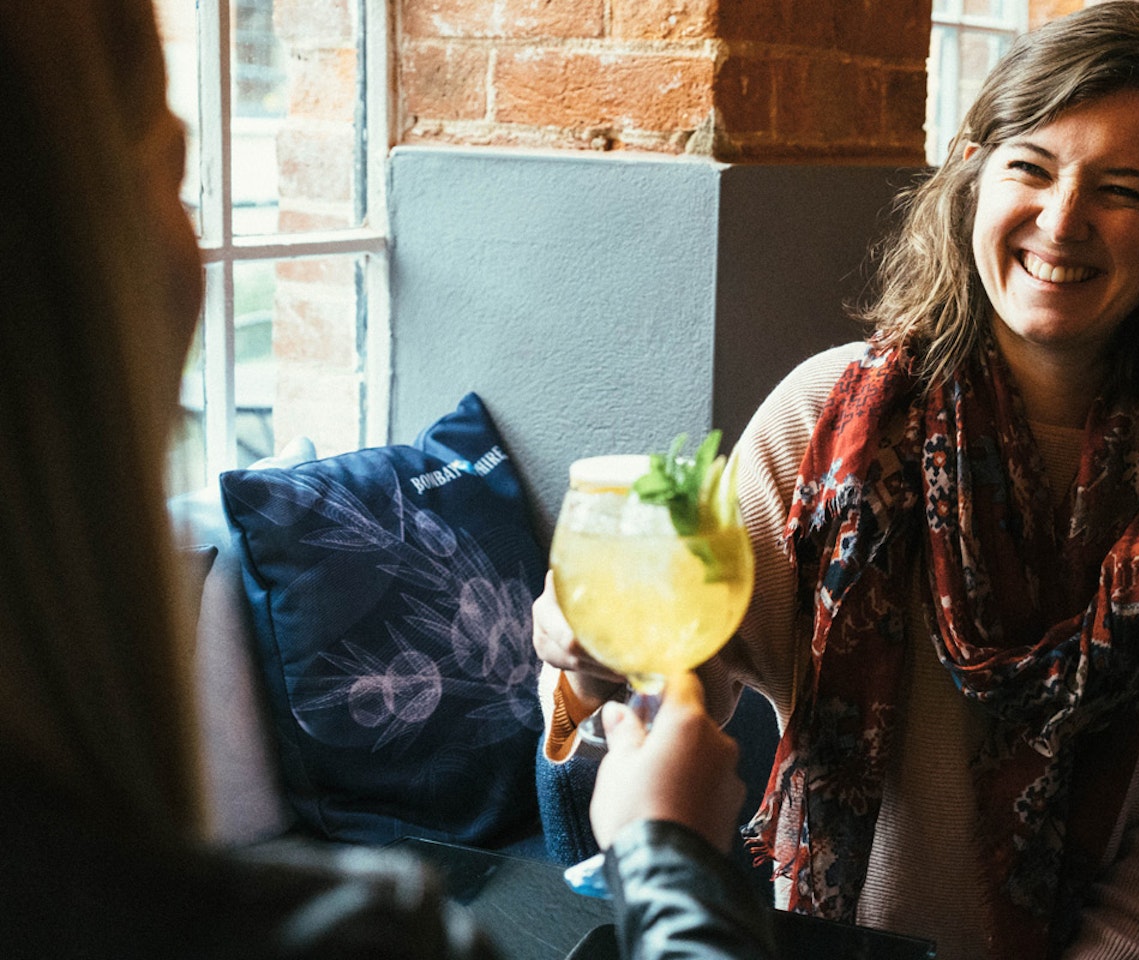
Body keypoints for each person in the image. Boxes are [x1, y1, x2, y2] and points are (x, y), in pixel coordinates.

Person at [0, 2, 772, 958]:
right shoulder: (350, 934)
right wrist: (671, 860)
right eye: (178, 177)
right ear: (98, 265)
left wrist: (583, 707)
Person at [535, 3, 1139, 959]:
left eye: (1125, 189)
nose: (1063, 221)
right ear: (974, 177)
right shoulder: (829, 414)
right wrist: (591, 652)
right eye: (1031, 167)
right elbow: (682, 676)